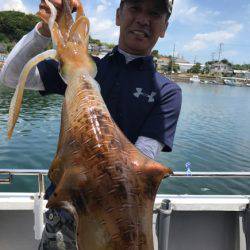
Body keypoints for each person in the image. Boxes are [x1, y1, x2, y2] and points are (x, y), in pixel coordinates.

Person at [0, 0, 182, 249]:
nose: (142, 19)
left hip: (121, 220)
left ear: (164, 27)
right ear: (118, 15)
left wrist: (84, 90)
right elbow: (11, 76)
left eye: (154, 13)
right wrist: (44, 29)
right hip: (63, 218)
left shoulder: (167, 92)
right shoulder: (86, 68)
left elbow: (134, 166)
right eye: (135, 8)